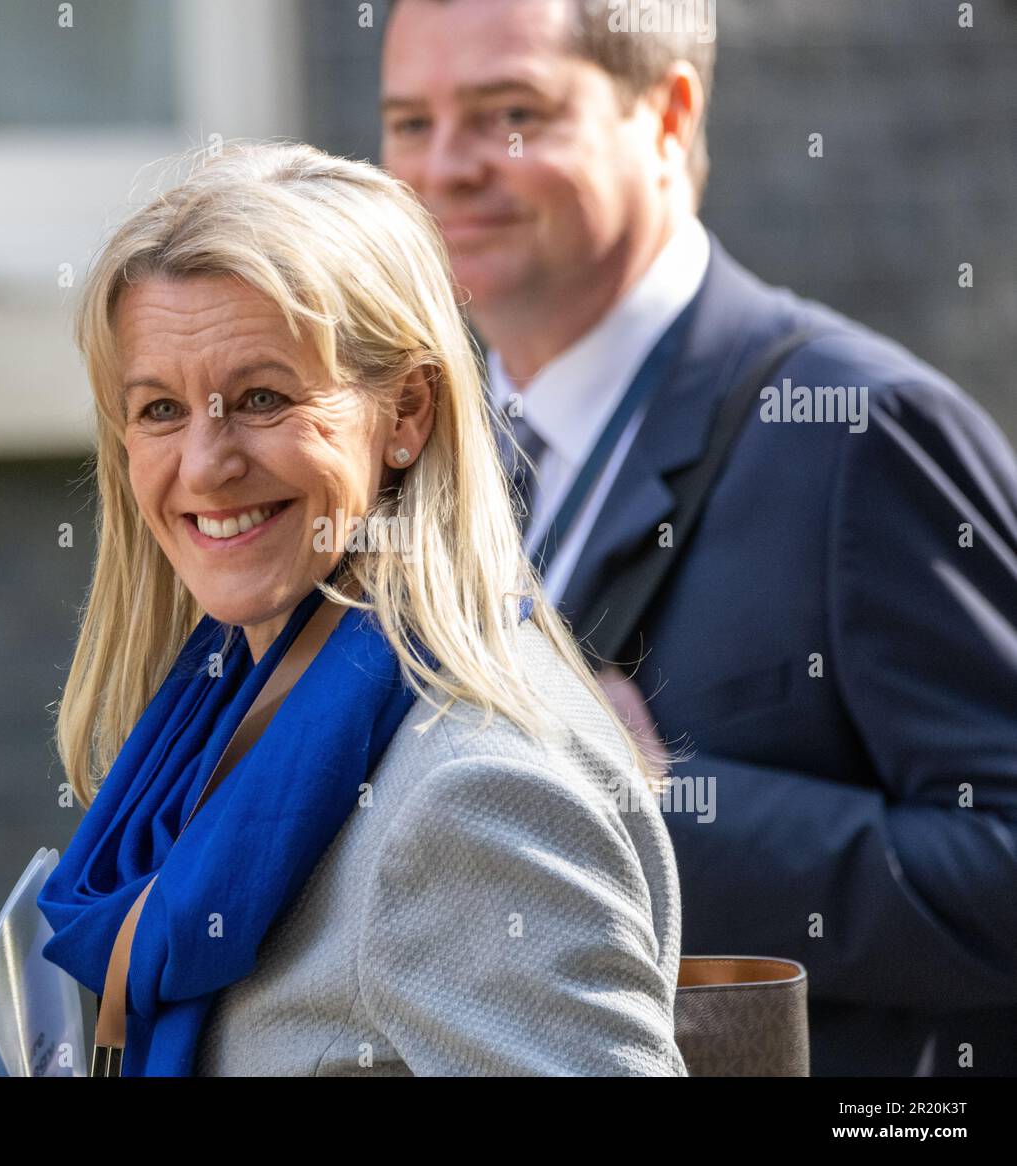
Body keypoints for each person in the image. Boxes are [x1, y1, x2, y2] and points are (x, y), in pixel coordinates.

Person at [381, 0, 1017, 1077]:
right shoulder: (403, 448)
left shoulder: (861, 430)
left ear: (668, 115)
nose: (444, 167)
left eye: (510, 113)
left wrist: (648, 803)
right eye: (408, 122)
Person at [33, 140, 688, 1076]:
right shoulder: (233, 706)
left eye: (263, 398)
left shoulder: (471, 796)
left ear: (408, 412)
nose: (206, 465)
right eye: (160, 411)